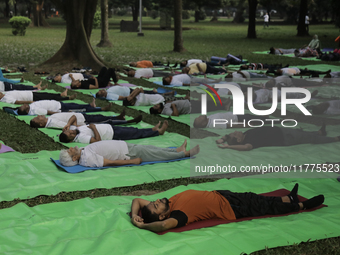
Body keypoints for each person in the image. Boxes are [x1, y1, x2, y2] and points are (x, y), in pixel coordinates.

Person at [130, 184, 324, 232]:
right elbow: (162, 227)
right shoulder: (179, 215)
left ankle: (287, 198)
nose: (156, 201)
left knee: (255, 197)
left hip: (222, 194)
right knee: (264, 206)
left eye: (154, 202)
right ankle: (301, 205)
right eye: (156, 206)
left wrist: (133, 216)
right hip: (231, 208)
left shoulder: (167, 203)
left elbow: (138, 200)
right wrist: (142, 226)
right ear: (163, 216)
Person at [58, 139, 200, 167]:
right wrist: (132, 161)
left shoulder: (82, 153)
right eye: (69, 151)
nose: (71, 148)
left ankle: (176, 150)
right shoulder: (88, 160)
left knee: (151, 148)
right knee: (156, 155)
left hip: (124, 146)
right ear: (74, 158)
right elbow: (110, 163)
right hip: (128, 154)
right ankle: (184, 154)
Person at [215, 124, 339, 151]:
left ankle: (318, 132)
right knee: (308, 138)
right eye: (235, 133)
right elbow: (247, 147)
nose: (236, 131)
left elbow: (229, 137)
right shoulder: (249, 141)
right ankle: (334, 139)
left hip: (282, 131)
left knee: (302, 132)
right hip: (286, 137)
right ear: (238, 140)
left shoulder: (246, 134)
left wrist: (223, 138)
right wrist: (229, 146)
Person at [58, 120, 169, 144]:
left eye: (70, 132)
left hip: (110, 128)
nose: (72, 132)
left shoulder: (77, 130)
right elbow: (97, 141)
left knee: (132, 130)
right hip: (112, 134)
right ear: (71, 139)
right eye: (71, 135)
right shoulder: (81, 138)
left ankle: (152, 129)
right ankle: (158, 132)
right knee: (135, 134)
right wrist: (94, 128)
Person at [29, 110, 142, 129]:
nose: (39, 116)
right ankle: (129, 122)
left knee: (102, 117)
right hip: (83, 120)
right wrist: (72, 120)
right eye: (38, 118)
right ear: (40, 124)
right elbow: (70, 124)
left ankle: (119, 117)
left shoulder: (50, 119)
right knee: (107, 122)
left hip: (81, 116)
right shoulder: (53, 123)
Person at [16, 98, 112, 115]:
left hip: (58, 104)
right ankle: (100, 109)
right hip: (60, 108)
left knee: (76, 105)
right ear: (26, 111)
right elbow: (48, 112)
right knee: (81, 110)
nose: (23, 105)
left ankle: (90, 105)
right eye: (23, 107)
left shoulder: (31, 106)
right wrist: (62, 113)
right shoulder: (35, 110)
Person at [150, 97, 232, 116]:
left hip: (189, 102)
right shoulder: (165, 111)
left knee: (207, 102)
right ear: (159, 111)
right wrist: (174, 106)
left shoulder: (164, 106)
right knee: (208, 107)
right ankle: (224, 107)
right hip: (191, 108)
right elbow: (175, 115)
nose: (156, 105)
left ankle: (223, 103)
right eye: (155, 107)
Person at [193, 113, 269, 129]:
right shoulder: (214, 124)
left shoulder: (208, 119)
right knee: (257, 120)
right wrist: (245, 125)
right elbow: (231, 125)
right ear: (203, 123)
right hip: (238, 119)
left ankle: (261, 116)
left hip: (235, 115)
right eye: (199, 118)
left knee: (249, 115)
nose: (199, 116)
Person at [0, 89, 76, 104]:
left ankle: (61, 94)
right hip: (31, 98)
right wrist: (30, 102)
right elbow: (17, 102)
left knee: (47, 94)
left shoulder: (5, 94)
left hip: (31, 93)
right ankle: (67, 98)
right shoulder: (5, 98)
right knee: (49, 98)